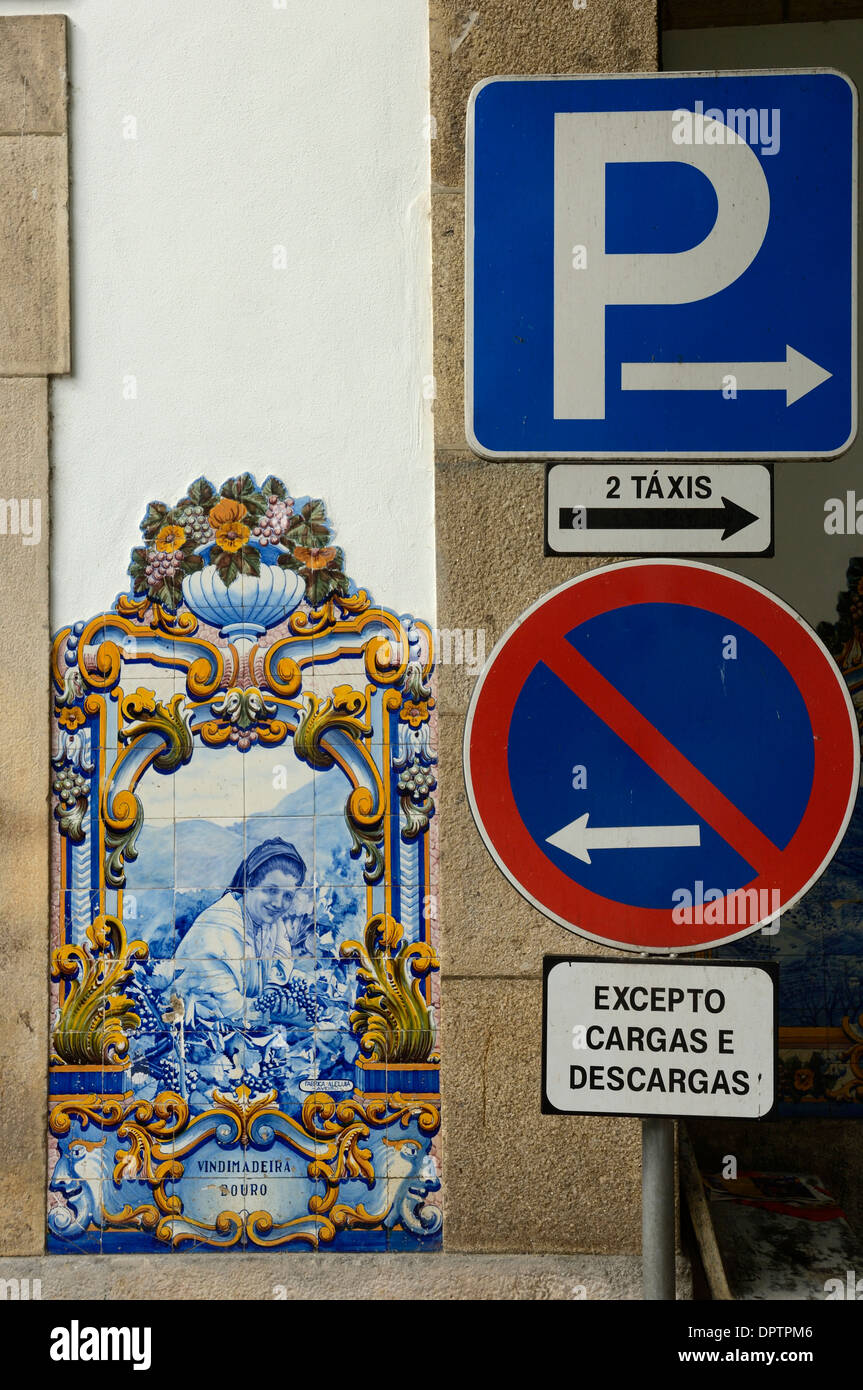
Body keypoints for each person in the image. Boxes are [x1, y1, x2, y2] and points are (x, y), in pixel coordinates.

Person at [165, 838, 306, 1033]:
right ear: (250, 883)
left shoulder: (272, 923)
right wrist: (277, 1012)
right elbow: (229, 1009)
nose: (279, 903)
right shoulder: (220, 925)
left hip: (236, 1028)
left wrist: (277, 1000)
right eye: (271, 890)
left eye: (287, 896)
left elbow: (277, 977)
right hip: (193, 1031)